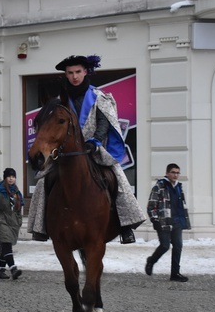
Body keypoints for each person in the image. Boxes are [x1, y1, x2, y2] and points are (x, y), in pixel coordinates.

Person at [29, 54, 146, 244]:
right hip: (65, 152)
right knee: (43, 180)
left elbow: (104, 122)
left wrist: (95, 141)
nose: (74, 76)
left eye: (78, 72)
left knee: (117, 176)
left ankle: (126, 225)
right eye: (70, 73)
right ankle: (41, 227)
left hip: (94, 149)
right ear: (66, 75)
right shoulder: (59, 102)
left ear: (85, 72)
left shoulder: (99, 96)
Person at [145, 163, 192, 282]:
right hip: (164, 221)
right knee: (165, 246)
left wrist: (184, 220)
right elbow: (151, 205)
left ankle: (175, 273)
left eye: (177, 173)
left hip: (177, 221)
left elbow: (181, 205)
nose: (175, 175)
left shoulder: (178, 187)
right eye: (173, 172)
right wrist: (155, 219)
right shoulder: (159, 186)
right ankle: (151, 260)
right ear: (167, 173)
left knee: (178, 246)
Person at [0, 168, 24, 280]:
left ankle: (0, 271)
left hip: (13, 222)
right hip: (1, 221)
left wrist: (19, 220)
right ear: (5, 178)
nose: (11, 179)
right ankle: (13, 269)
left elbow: (18, 209)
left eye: (13, 177)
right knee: (7, 243)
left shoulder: (16, 192)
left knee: (5, 246)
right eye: (9, 176)